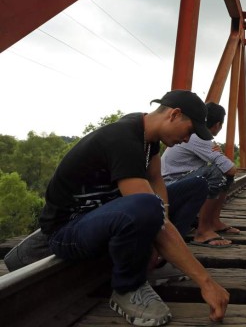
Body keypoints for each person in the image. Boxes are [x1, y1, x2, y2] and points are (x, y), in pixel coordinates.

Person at [37, 90, 229, 326]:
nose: (188, 140)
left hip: (105, 217)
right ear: (175, 115)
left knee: (196, 186)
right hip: (68, 230)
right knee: (147, 206)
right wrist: (206, 282)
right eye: (189, 131)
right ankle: (128, 288)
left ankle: (155, 258)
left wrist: (162, 220)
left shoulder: (146, 135)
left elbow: (156, 180)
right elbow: (149, 207)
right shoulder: (123, 139)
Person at [161, 102, 238, 248]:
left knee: (222, 172)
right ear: (217, 125)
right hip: (169, 187)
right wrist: (219, 154)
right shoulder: (199, 137)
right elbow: (231, 169)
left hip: (174, 183)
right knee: (219, 171)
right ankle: (203, 231)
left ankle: (214, 222)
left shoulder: (196, 135)